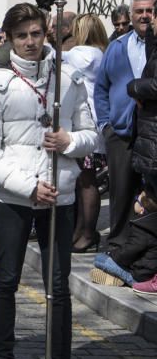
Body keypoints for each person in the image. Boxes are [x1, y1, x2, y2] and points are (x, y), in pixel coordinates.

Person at [0, 2, 96, 359]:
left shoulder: (68, 78)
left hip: (59, 197)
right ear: (9, 39)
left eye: (36, 34)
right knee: (6, 280)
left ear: (47, 34)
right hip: (16, 196)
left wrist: (70, 142)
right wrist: (27, 186)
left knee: (58, 286)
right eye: (21, 35)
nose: (30, 42)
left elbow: (92, 133)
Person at [95, 0, 156, 251]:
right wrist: (105, 125)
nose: (144, 16)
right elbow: (100, 88)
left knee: (150, 194)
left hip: (152, 132)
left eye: (149, 10)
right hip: (121, 131)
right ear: (130, 15)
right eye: (139, 11)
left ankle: (142, 249)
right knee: (120, 192)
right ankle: (118, 245)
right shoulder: (117, 47)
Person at [64, 14, 108, 252]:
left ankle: (88, 233)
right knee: (83, 180)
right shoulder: (101, 52)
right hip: (92, 123)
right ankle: (81, 230)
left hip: (87, 124)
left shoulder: (85, 54)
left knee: (87, 182)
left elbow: (56, 55)